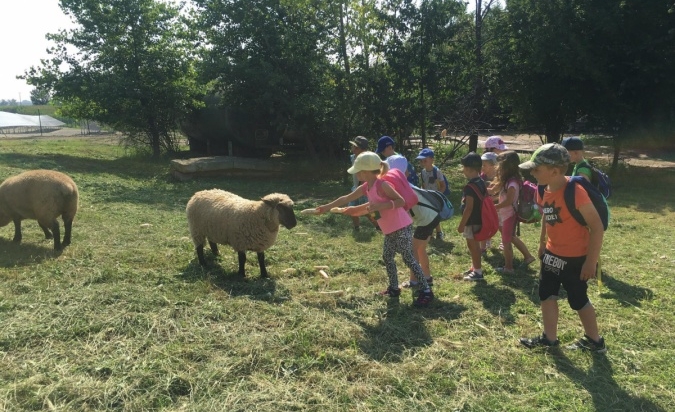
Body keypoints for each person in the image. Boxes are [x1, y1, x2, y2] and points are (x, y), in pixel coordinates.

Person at [518, 143, 607, 353]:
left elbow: (597, 227)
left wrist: (590, 262)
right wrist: (542, 244)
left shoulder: (575, 192)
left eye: (536, 169)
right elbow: (546, 218)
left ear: (555, 171)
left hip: (575, 259)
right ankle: (550, 339)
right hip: (551, 254)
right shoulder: (542, 188)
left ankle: (595, 341)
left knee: (578, 300)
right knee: (546, 294)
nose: (532, 173)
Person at [316, 151, 434, 307]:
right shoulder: (366, 187)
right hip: (389, 229)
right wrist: (326, 207)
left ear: (365, 172)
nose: (356, 174)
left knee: (408, 258)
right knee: (387, 256)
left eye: (358, 171)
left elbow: (400, 201)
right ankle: (393, 288)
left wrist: (380, 206)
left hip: (401, 226)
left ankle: (426, 291)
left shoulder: (382, 184)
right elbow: (346, 198)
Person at [388, 155, 437, 290]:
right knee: (420, 248)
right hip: (432, 217)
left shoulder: (399, 188)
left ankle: (414, 281)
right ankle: (427, 277)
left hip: (425, 220)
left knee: (412, 249)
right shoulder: (406, 184)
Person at [491, 151, 536, 274]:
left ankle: (509, 268)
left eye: (500, 165)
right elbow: (494, 190)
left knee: (506, 242)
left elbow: (509, 201)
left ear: (507, 166)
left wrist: (495, 207)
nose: (498, 167)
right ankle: (528, 257)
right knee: (510, 237)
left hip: (509, 215)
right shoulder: (507, 180)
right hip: (505, 214)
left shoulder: (512, 183)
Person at [457, 152, 487, 281]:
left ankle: (478, 272)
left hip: (471, 221)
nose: (463, 170)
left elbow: (468, 208)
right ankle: (475, 267)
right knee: (475, 246)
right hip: (480, 219)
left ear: (469, 169)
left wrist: (461, 225)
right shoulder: (481, 182)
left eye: (464, 168)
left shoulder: (470, 187)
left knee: (473, 246)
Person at [348, 136, 379, 231]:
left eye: (354, 146)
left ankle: (379, 225)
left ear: (359, 148)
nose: (352, 148)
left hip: (367, 188)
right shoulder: (353, 157)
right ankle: (356, 227)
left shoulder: (369, 159)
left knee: (370, 211)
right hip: (357, 187)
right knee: (351, 208)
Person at [416, 148, 447, 240]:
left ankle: (439, 232)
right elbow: (423, 184)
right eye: (421, 161)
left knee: (435, 215)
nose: (422, 163)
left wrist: (438, 195)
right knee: (428, 215)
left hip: (435, 197)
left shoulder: (436, 171)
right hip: (427, 197)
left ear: (432, 159)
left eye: (425, 160)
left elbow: (443, 186)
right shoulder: (423, 172)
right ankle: (431, 233)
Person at [479, 152, 498, 254]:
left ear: (493, 165)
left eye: (484, 165)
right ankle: (483, 247)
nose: (482, 167)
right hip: (485, 206)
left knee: (497, 225)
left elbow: (502, 193)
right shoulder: (482, 177)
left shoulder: (499, 177)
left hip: (498, 206)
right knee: (484, 224)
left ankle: (504, 242)